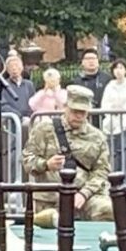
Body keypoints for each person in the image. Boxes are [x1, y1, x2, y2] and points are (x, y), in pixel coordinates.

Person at [22, 83, 112, 223]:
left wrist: (84, 193)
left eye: (83, 112)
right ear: (65, 107)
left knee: (108, 210)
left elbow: (102, 171)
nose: (79, 116)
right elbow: (27, 160)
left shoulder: (97, 137)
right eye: (75, 111)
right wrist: (46, 164)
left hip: (86, 195)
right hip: (51, 197)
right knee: (47, 221)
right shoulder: (44, 129)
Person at [99, 57, 126, 182]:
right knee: (112, 155)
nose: (118, 71)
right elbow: (104, 104)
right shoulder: (110, 86)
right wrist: (113, 108)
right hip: (111, 125)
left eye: (121, 68)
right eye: (116, 68)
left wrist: (123, 108)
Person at [0, 51, 34, 120]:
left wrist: (30, 116)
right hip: (11, 120)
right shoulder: (4, 85)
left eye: (16, 65)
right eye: (11, 66)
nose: (14, 68)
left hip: (28, 120)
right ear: (7, 70)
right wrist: (18, 116)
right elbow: (3, 105)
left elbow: (34, 103)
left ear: (21, 67)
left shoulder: (29, 85)